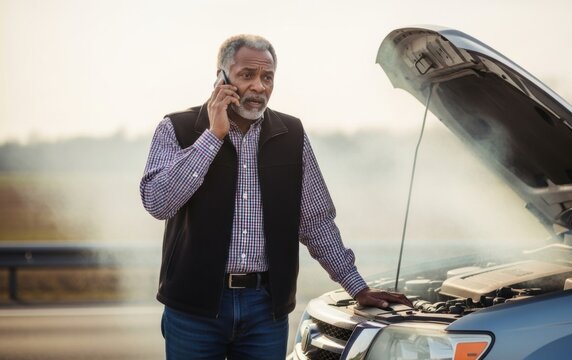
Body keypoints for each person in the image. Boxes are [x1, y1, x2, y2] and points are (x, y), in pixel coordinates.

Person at [140, 34, 411, 360]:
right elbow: (157, 202)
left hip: (264, 310)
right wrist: (213, 137)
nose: (259, 87)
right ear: (221, 78)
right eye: (247, 75)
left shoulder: (291, 135)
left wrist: (357, 287)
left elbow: (315, 221)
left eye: (267, 77)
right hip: (193, 309)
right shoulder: (177, 128)